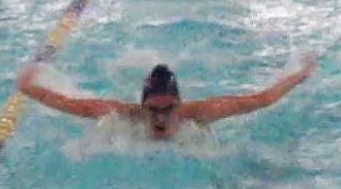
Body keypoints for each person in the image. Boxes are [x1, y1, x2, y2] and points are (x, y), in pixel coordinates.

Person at [16, 57, 316, 140]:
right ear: (142, 105)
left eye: (167, 108)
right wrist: (27, 86)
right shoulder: (125, 115)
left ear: (179, 104)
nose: (159, 116)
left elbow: (263, 99)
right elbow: (69, 105)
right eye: (152, 109)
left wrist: (300, 74)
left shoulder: (200, 113)